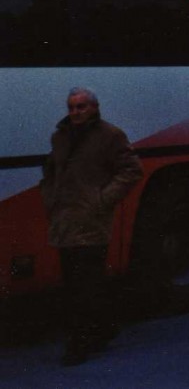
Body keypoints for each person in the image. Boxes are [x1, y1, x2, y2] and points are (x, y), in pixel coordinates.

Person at [40, 87, 144, 366]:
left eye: (81, 107)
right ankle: (103, 329)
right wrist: (50, 198)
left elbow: (131, 170)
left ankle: (79, 344)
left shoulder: (110, 136)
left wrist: (102, 200)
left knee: (82, 285)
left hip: (91, 222)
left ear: (94, 108)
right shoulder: (60, 136)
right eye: (72, 107)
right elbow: (50, 171)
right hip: (64, 221)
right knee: (79, 282)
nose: (75, 112)